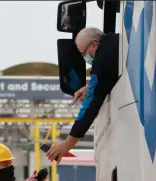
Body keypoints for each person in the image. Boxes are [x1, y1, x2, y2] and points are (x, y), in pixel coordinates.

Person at [46, 27, 119, 163]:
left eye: (84, 53)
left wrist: (68, 144)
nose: (86, 58)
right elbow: (111, 76)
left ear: (93, 44)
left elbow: (90, 105)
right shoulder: (116, 41)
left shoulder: (101, 61)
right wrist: (90, 87)